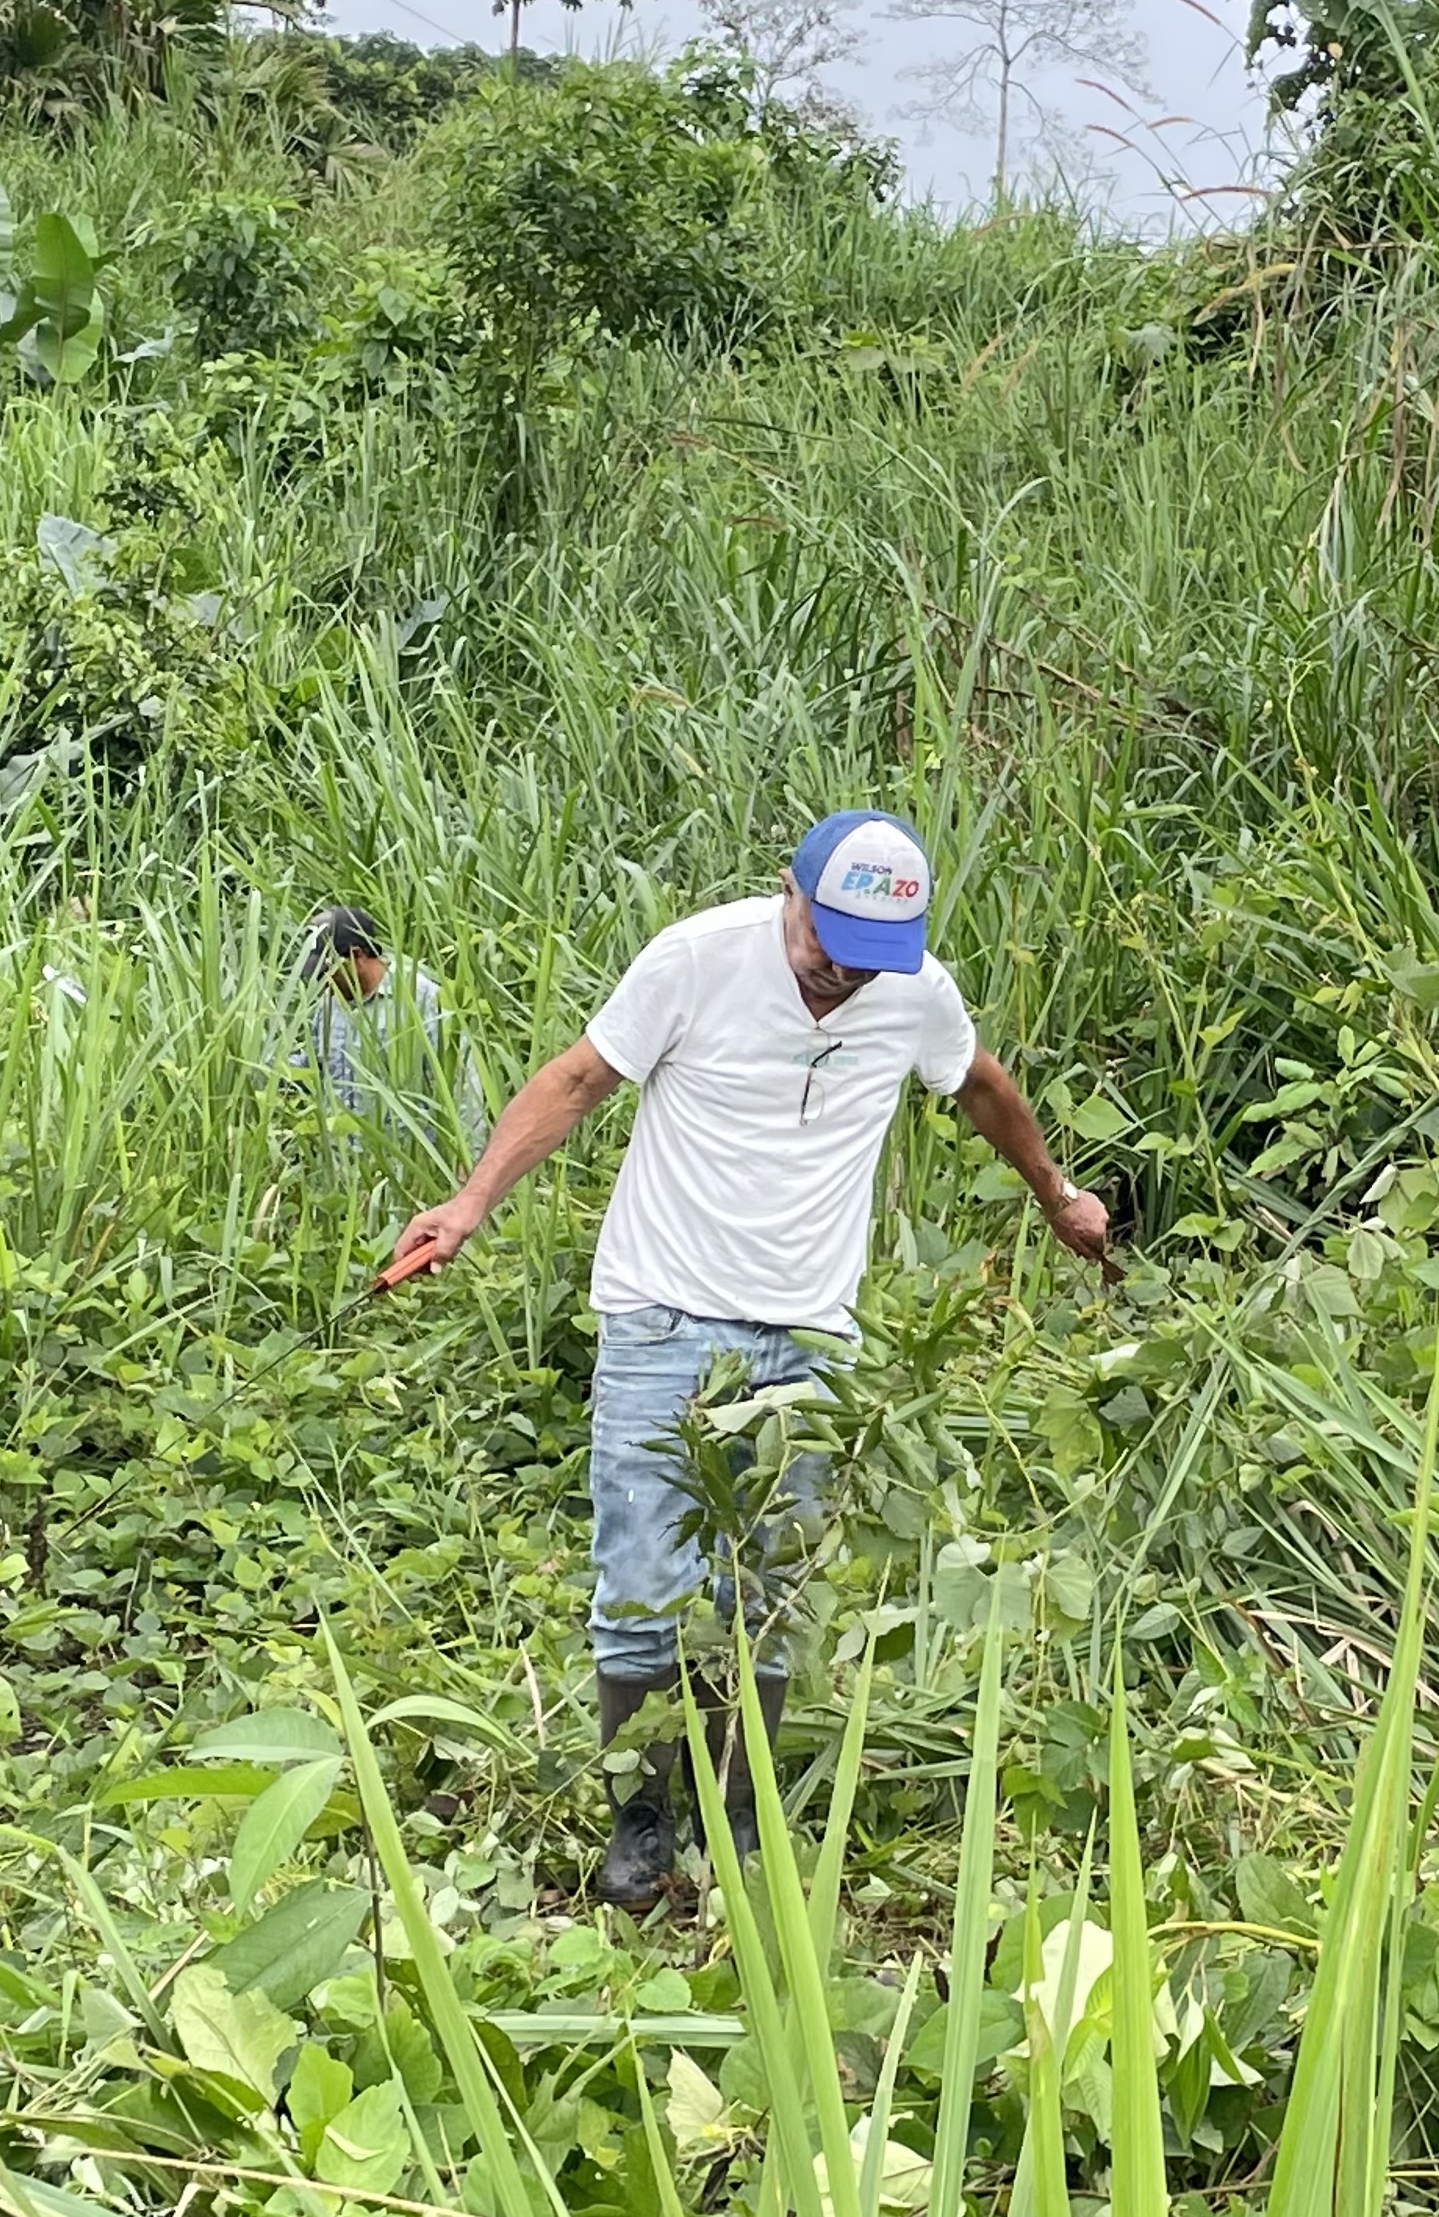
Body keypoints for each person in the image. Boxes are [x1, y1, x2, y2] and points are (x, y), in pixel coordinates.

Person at [389, 812, 1112, 1908]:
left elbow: (981, 1086)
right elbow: (576, 1080)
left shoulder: (915, 991)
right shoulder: (698, 958)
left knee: (769, 1585)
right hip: (663, 1317)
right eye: (829, 949)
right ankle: (641, 1821)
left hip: (811, 1333)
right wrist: (470, 1204)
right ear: (792, 892)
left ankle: (737, 1809)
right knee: (644, 1583)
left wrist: (1057, 1197)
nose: (844, 979)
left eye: (868, 963)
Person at [290, 904, 490, 1160]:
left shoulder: (421, 1000)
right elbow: (314, 1069)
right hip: (343, 1169)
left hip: (407, 1169)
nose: (322, 982)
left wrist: (468, 1163)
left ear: (356, 955)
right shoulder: (328, 1006)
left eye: (327, 972)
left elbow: (463, 1088)